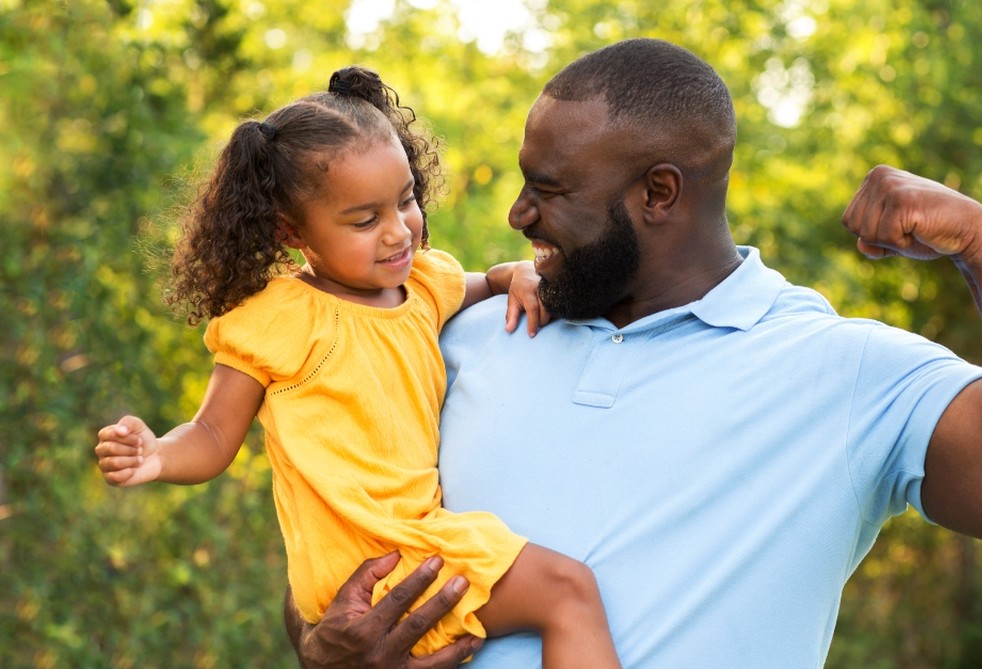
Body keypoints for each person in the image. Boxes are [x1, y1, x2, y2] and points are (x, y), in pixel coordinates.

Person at [289, 39, 982, 668]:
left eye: (550, 190)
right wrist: (325, 646)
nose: (517, 215)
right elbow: (326, 559)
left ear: (659, 193)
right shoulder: (451, 335)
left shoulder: (840, 372)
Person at [94, 66, 621, 668]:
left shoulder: (422, 284)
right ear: (292, 232)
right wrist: (158, 454)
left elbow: (488, 279)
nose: (399, 232)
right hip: (370, 559)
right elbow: (213, 434)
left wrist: (519, 273)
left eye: (405, 201)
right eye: (365, 220)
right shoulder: (282, 316)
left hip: (411, 536)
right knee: (568, 593)